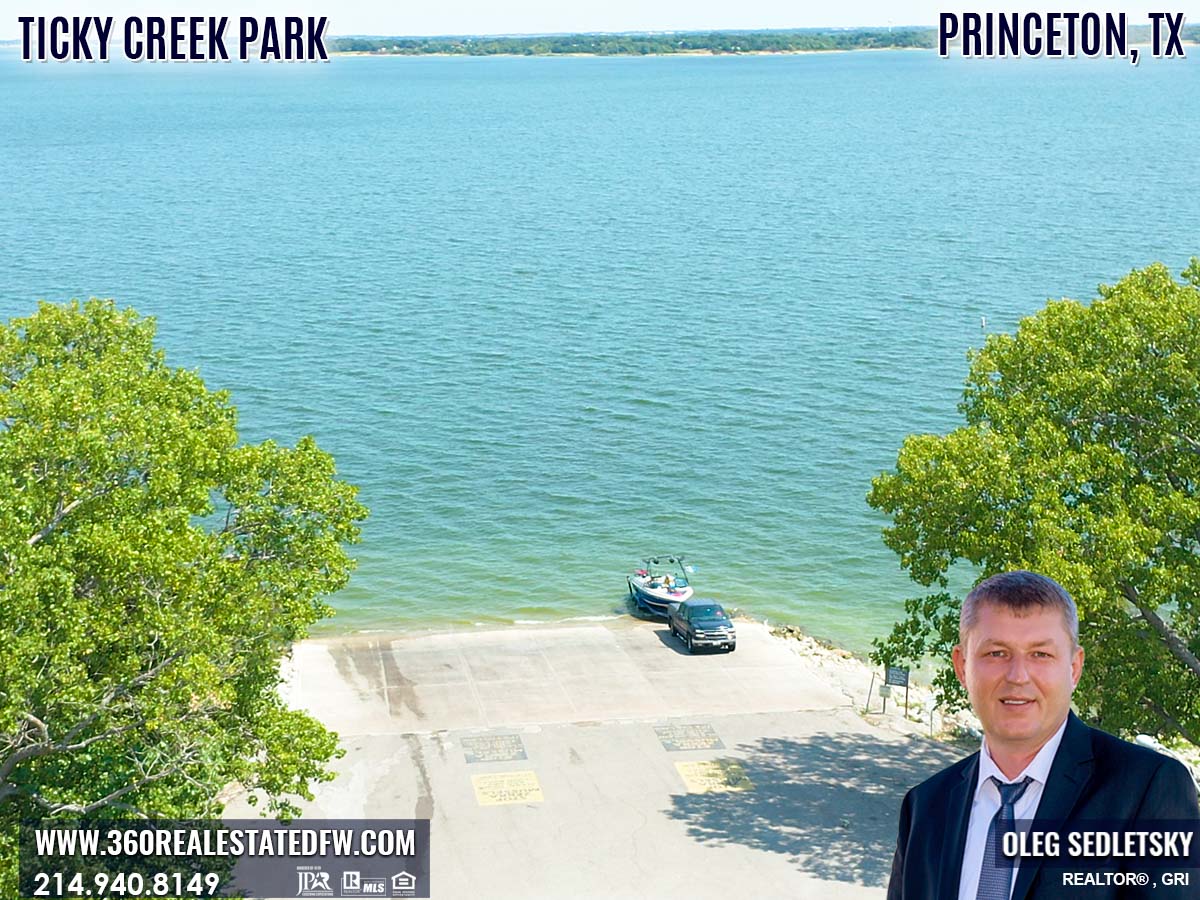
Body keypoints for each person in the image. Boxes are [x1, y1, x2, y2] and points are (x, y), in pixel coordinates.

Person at [887, 571, 1199, 900]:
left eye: (1041, 654)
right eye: (996, 653)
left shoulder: (1148, 789)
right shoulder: (924, 806)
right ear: (962, 667)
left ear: (1074, 668)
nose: (1018, 676)